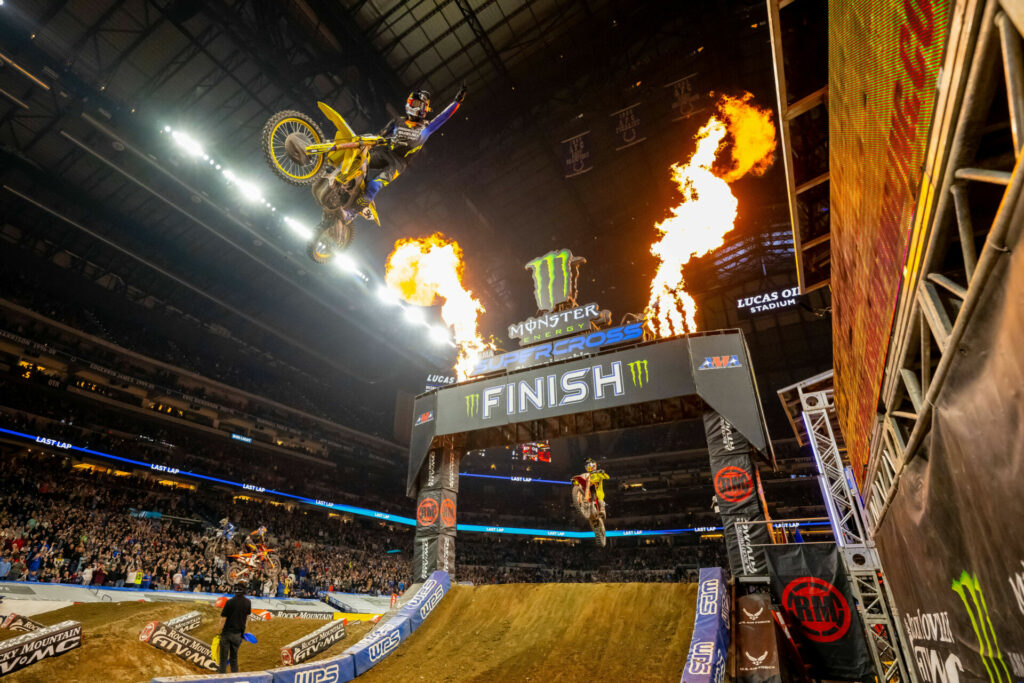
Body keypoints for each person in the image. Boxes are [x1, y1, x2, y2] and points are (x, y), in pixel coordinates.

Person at [354, 85, 467, 217]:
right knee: (359, 161)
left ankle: (354, 210)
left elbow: (442, 117)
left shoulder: (426, 128)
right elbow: (380, 135)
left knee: (375, 185)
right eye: (416, 103)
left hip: (398, 163)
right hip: (384, 152)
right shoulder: (397, 121)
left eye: (422, 105)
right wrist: (369, 143)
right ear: (409, 103)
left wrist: (456, 102)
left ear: (426, 109)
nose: (419, 107)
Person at [217, 585, 252, 673]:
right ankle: (235, 677)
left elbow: (223, 619)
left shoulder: (229, 602)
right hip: (238, 634)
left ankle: (221, 679)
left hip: (227, 633)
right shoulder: (248, 602)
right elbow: (247, 618)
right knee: (234, 658)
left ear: (235, 591)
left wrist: (218, 632)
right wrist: (244, 631)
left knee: (223, 659)